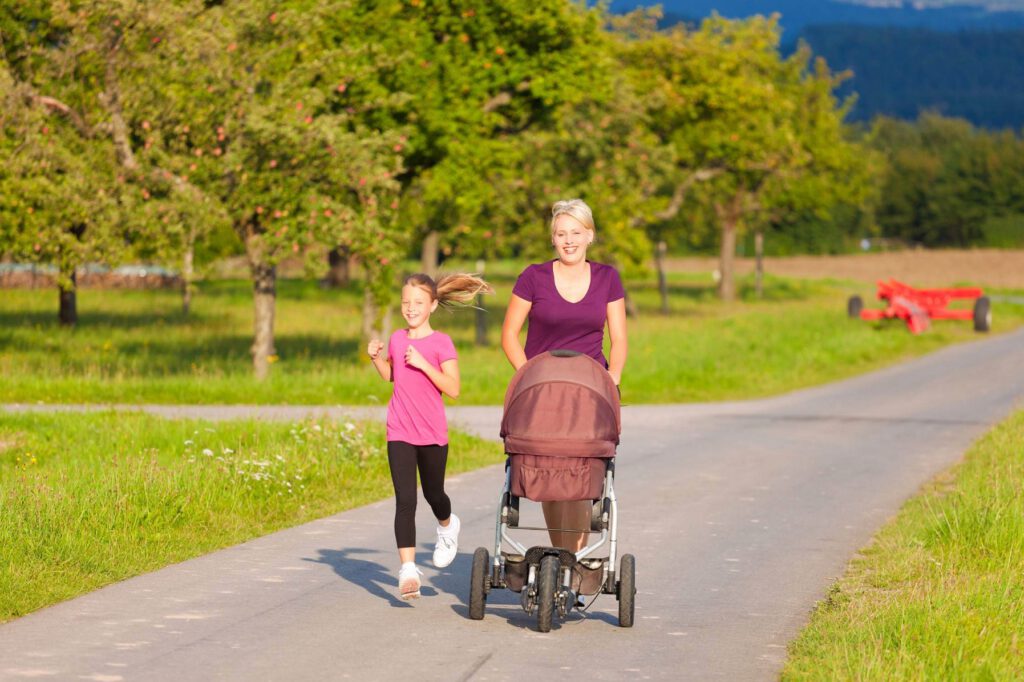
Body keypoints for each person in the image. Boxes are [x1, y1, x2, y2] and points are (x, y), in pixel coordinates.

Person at [501, 198, 627, 552]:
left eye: (575, 232)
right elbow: (509, 334)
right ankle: (563, 559)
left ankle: (569, 558)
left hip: (589, 390)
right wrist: (528, 374)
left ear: (590, 235)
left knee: (579, 475)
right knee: (548, 473)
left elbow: (618, 338)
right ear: (552, 239)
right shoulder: (533, 277)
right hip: (543, 390)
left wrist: (613, 377)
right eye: (560, 234)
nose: (568, 240)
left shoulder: (607, 278)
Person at [367, 272, 492, 600]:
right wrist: (376, 358)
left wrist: (423, 363)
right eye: (406, 302)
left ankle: (447, 526)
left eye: (418, 303)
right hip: (400, 429)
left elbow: (453, 389)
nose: (410, 308)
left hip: (432, 432)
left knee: (434, 493)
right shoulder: (396, 338)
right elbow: (392, 375)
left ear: (433, 305)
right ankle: (408, 570)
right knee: (405, 500)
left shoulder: (441, 343)